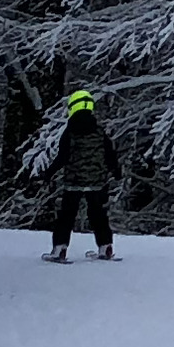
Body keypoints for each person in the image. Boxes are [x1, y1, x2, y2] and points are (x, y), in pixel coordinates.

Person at [43, 89, 123, 263]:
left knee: (66, 215)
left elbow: (62, 157)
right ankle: (106, 247)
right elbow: (110, 154)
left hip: (74, 181)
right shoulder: (99, 131)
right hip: (97, 182)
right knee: (98, 214)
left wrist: (48, 173)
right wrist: (116, 170)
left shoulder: (70, 132)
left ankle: (60, 249)